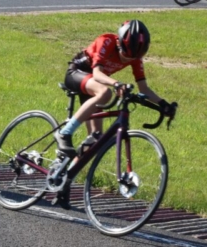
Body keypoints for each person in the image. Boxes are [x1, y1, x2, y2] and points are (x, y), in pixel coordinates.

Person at [51, 20, 176, 208]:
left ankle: (64, 182)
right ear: (120, 44)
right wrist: (117, 84)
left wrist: (163, 104)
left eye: (132, 57)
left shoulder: (135, 56)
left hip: (94, 86)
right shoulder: (107, 41)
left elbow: (144, 88)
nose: (127, 60)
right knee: (105, 92)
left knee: (95, 140)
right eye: (125, 55)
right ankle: (64, 133)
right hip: (77, 74)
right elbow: (98, 74)